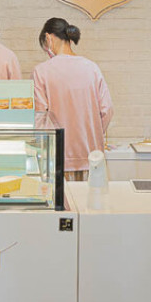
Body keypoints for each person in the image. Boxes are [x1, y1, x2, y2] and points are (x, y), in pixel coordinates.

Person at [33, 18, 113, 181]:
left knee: (61, 198)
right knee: (92, 198)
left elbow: (39, 117)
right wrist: (93, 133)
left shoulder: (41, 71)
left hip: (57, 158)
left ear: (48, 38)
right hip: (92, 158)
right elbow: (107, 110)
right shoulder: (92, 68)